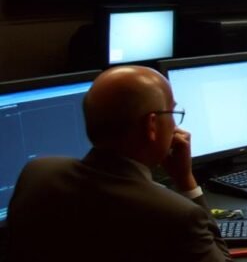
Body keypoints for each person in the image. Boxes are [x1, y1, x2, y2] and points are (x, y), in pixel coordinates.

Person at [6, 66, 231, 262]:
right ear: (151, 126)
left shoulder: (37, 173)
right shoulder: (177, 215)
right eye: (172, 112)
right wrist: (186, 181)